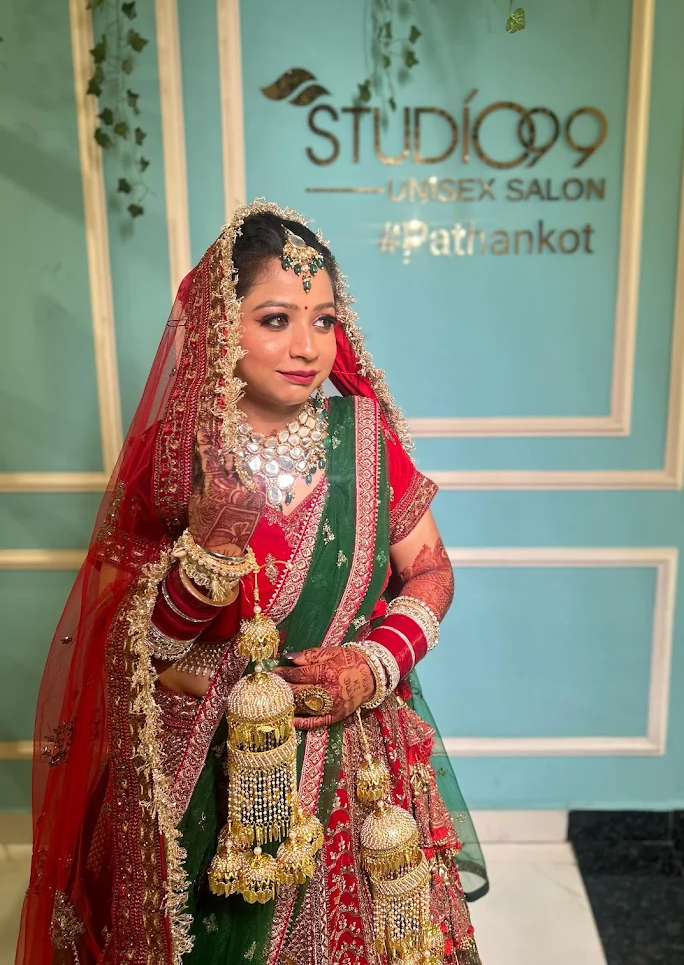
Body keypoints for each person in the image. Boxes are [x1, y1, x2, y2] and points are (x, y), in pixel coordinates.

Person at [16, 200, 487, 965]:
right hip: (206, 767)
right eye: (275, 320)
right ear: (218, 329)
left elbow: (429, 569)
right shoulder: (174, 458)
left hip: (351, 755)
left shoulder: (364, 441)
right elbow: (133, 648)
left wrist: (370, 665)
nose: (307, 347)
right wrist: (207, 562)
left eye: (324, 321)